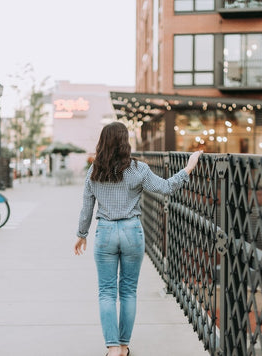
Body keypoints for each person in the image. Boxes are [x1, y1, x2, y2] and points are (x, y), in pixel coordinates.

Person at [74, 122, 203, 356]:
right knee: (128, 291)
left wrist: (81, 235)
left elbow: (87, 209)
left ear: (102, 143)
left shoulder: (94, 172)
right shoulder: (138, 169)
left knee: (106, 292)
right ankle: (123, 346)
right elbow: (165, 188)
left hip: (105, 233)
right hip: (132, 231)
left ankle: (112, 348)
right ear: (126, 143)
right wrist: (188, 168)